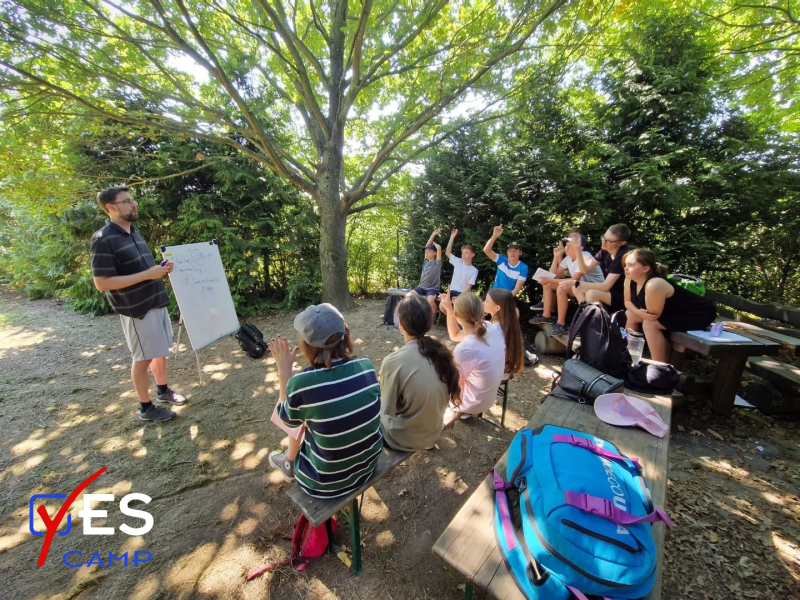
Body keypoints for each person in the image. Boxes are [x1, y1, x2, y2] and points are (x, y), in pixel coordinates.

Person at [90, 186, 185, 423]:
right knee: (142, 358)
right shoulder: (103, 240)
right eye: (127, 201)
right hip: (137, 309)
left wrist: (160, 270)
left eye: (132, 200)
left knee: (159, 351)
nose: (134, 204)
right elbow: (102, 283)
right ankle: (146, 408)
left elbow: (141, 269)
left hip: (155, 300)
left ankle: (162, 391)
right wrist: (147, 275)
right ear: (111, 207)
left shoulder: (133, 231)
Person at [267, 304, 383, 498]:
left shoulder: (302, 383)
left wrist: (284, 373)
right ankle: (288, 460)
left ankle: (288, 461)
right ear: (344, 335)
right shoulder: (366, 366)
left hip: (324, 483)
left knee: (302, 415)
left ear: (306, 344)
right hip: (366, 467)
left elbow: (286, 421)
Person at [380, 295, 461, 451]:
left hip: (400, 439)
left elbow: (387, 410)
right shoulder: (440, 353)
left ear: (400, 323)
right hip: (433, 432)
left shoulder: (392, 362)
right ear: (429, 323)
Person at [624, 249, 717, 362]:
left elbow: (653, 315)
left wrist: (640, 313)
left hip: (698, 313)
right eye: (626, 264)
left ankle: (659, 366)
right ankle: (629, 357)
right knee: (630, 314)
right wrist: (638, 312)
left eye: (631, 265)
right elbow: (627, 302)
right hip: (671, 312)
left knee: (650, 324)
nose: (626, 268)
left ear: (646, 268)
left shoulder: (654, 284)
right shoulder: (629, 279)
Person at [438, 292, 506, 421]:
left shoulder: (465, 349)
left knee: (434, 374)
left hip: (472, 403)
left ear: (456, 316)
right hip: (489, 398)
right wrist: (450, 310)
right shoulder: (489, 327)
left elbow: (452, 383)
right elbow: (455, 335)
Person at [531, 232, 605, 336]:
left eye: (570, 246)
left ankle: (561, 324)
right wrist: (556, 257)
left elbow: (574, 280)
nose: (566, 248)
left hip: (594, 288)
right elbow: (554, 276)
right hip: (579, 287)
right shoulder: (568, 258)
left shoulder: (585, 256)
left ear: (580, 248)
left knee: (561, 287)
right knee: (548, 284)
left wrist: (549, 280)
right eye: (566, 246)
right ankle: (546, 316)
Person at [567, 223, 631, 313]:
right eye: (604, 238)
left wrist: (576, 282)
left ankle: (598, 320)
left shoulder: (623, 256)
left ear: (622, 243)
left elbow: (606, 287)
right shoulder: (605, 251)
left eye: (609, 241)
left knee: (592, 294)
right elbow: (584, 269)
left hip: (626, 297)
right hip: (610, 293)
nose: (604, 242)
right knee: (576, 288)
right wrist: (578, 249)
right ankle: (587, 315)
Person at [483, 288, 525, 377]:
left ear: (497, 308)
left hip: (493, 376)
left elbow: (456, 335)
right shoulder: (510, 326)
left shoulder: (492, 328)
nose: (483, 303)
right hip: (505, 373)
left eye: (487, 301)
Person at [483, 224, 528, 297]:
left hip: (507, 296)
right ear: (507, 252)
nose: (512, 253)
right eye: (510, 251)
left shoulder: (523, 267)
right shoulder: (501, 260)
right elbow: (486, 250)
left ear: (520, 252)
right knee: (478, 303)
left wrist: (505, 300)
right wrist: (494, 236)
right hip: (493, 292)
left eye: (515, 251)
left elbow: (517, 289)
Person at [409, 228, 443, 320]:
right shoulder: (426, 261)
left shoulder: (437, 263)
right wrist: (433, 234)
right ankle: (413, 315)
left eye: (429, 252)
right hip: (421, 287)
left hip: (432, 288)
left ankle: (435, 315)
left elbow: (439, 248)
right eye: (426, 252)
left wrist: (435, 244)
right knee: (409, 296)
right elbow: (427, 245)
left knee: (430, 300)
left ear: (435, 253)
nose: (426, 253)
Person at [444, 228, 479, 298]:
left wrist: (459, 297)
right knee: (442, 303)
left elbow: (468, 287)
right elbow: (447, 253)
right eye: (462, 253)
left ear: (472, 255)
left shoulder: (474, 270)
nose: (463, 255)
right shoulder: (458, 261)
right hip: (452, 292)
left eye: (466, 253)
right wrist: (452, 237)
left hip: (463, 295)